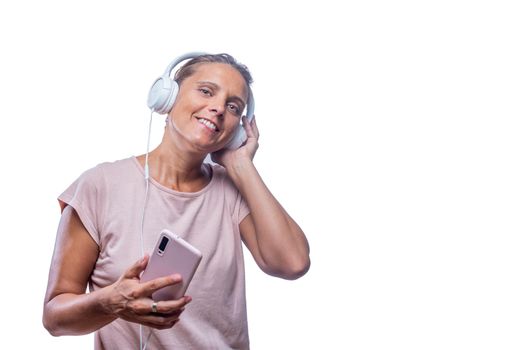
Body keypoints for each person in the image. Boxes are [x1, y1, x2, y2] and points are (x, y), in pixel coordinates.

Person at [42, 53, 310, 349]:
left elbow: (293, 263)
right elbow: (55, 318)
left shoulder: (231, 190)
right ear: (166, 97)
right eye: (206, 91)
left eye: (234, 107)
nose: (219, 108)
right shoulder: (100, 185)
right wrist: (111, 302)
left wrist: (241, 166)